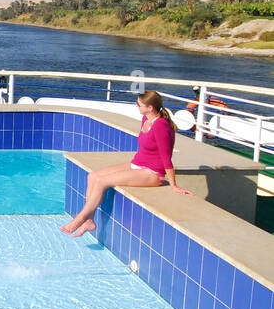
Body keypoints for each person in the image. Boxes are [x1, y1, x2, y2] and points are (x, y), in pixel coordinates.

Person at [61, 90, 193, 238]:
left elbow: (166, 157)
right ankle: (89, 220)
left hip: (153, 173)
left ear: (150, 107)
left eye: (139, 105)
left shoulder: (160, 126)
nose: (136, 106)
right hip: (137, 164)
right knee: (93, 176)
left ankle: (80, 219)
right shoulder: (145, 120)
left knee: (101, 181)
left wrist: (174, 185)